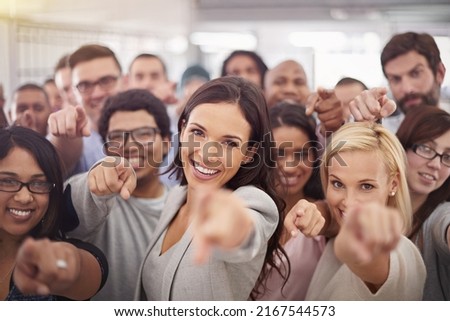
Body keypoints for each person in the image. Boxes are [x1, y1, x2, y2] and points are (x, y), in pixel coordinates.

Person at [120, 76, 285, 300]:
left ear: (249, 154)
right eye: (198, 132)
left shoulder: (252, 202)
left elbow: (245, 232)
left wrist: (232, 226)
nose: (207, 153)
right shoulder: (175, 198)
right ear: (183, 128)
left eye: (229, 143)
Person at [286, 122, 426, 300]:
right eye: (337, 183)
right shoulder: (335, 238)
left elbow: (371, 260)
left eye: (366, 186)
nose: (350, 203)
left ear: (393, 184)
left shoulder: (399, 251)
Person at [64, 89, 172, 300]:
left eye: (144, 133)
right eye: (116, 137)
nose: (130, 145)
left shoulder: (184, 204)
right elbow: (75, 201)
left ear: (167, 142)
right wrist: (97, 180)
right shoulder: (99, 200)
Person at [0, 126, 108, 300]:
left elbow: (81, 270)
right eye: (8, 181)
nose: (24, 197)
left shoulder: (67, 250)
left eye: (39, 183)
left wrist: (63, 265)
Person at [254, 102, 325, 300]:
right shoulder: (245, 211)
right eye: (278, 154)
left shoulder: (323, 218)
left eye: (302, 154)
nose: (290, 167)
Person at [396, 106, 450, 300]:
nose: (436, 164)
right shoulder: (371, 202)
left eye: (448, 156)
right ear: (402, 147)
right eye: (426, 148)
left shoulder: (440, 216)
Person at [48, 44, 124, 177]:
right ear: (74, 92)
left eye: (106, 81)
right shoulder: (75, 139)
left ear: (124, 81)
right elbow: (54, 165)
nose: (97, 94)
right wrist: (65, 136)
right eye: (84, 85)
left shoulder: (158, 130)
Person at [349, 32, 446, 132]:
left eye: (415, 73)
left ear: (440, 73)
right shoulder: (383, 133)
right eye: (395, 79)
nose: (407, 89)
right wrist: (364, 128)